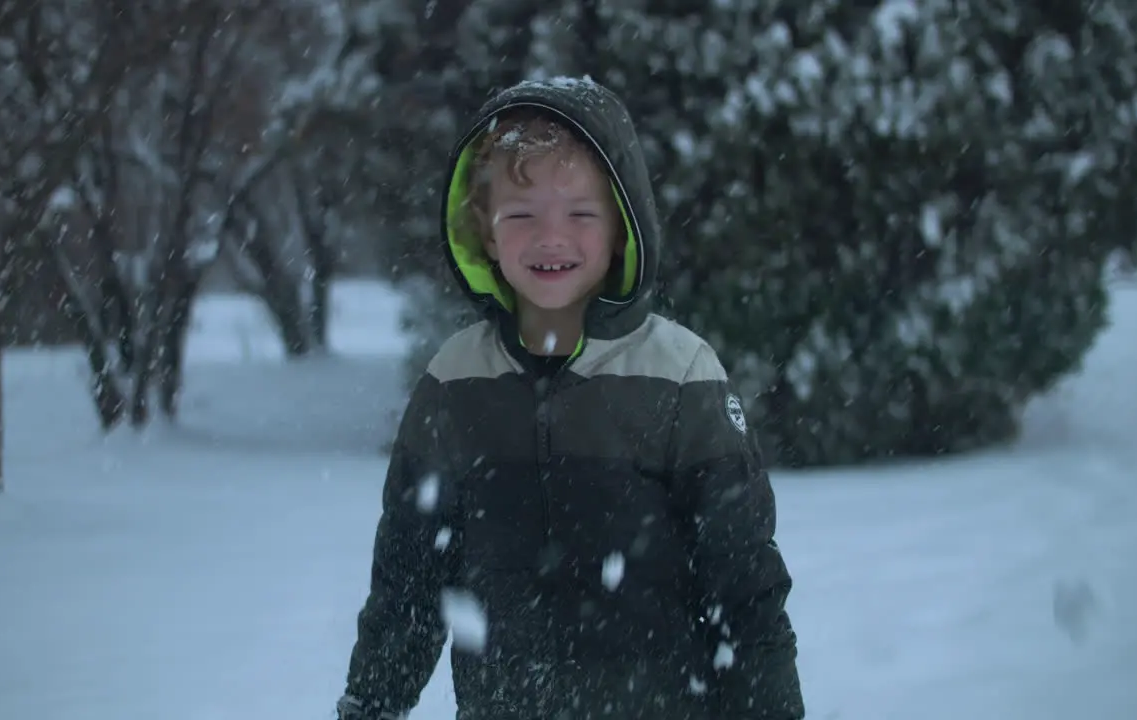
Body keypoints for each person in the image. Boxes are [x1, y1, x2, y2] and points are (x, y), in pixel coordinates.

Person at [336, 76, 804, 720]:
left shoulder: (681, 375)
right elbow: (408, 582)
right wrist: (371, 703)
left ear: (620, 229)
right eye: (522, 215)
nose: (550, 238)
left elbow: (744, 583)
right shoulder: (455, 382)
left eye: (580, 213)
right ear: (485, 232)